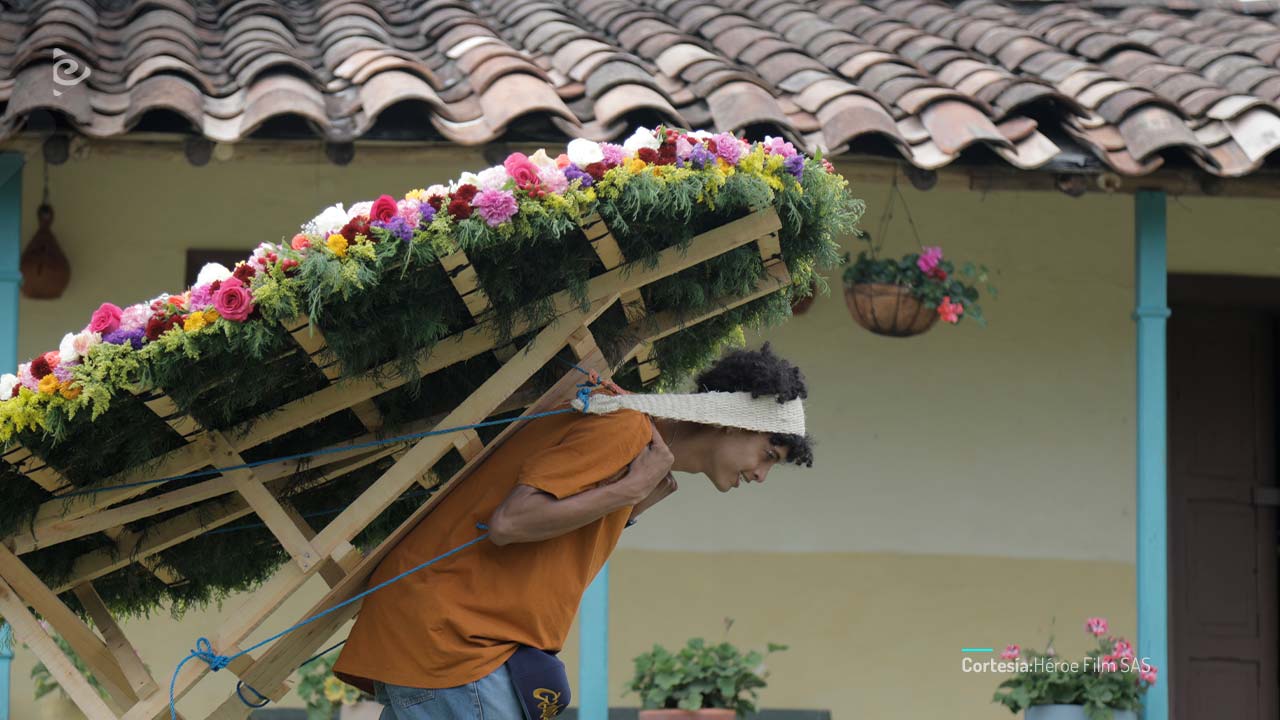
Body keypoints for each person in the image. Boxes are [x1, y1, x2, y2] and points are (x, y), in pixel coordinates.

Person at [332, 342, 814, 720]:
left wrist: (634, 501)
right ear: (732, 423)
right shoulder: (624, 428)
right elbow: (510, 522)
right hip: (455, 643)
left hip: (453, 642)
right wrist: (627, 492)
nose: (761, 475)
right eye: (767, 455)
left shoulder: (641, 452)